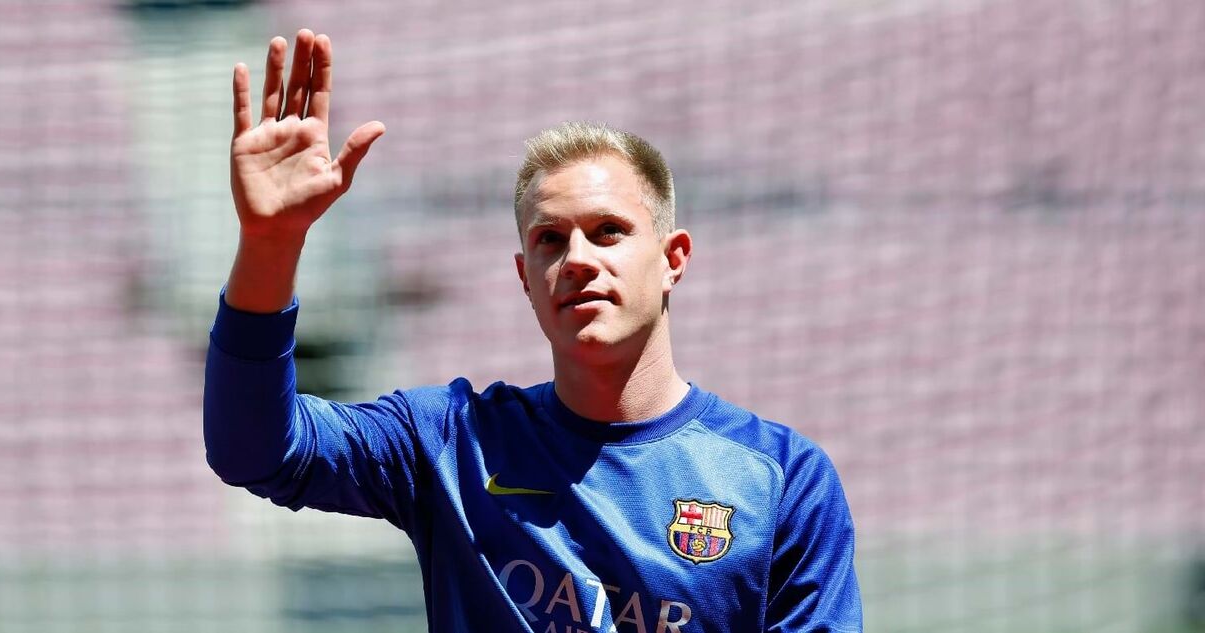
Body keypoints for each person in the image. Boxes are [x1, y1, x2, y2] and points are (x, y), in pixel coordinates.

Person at [204, 29, 863, 633]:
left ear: (673, 258)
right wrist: (271, 242)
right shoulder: (452, 442)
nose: (577, 258)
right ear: (526, 275)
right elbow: (254, 451)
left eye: (608, 230)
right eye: (550, 238)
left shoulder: (782, 478)